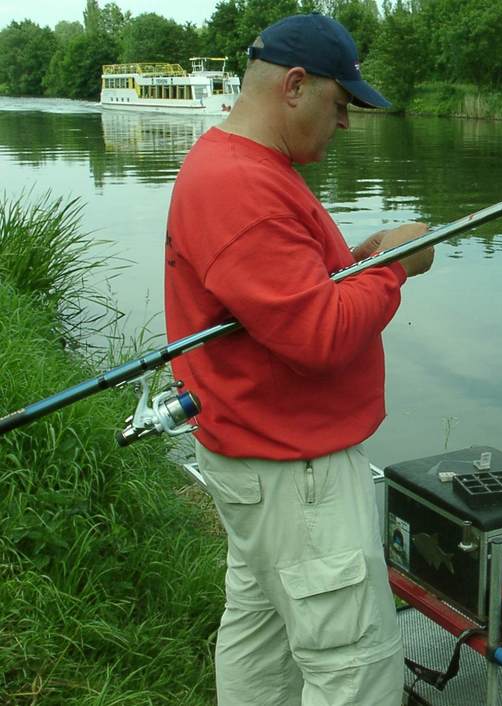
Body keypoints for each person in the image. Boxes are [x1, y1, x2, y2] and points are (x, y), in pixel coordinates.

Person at [163, 13, 433, 706]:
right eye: (339, 104)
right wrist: (397, 265)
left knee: (261, 636)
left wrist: (357, 261)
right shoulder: (242, 186)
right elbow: (318, 334)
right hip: (296, 475)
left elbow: (283, 299)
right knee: (355, 668)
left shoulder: (237, 165)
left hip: (258, 459)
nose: (344, 123)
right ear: (294, 85)